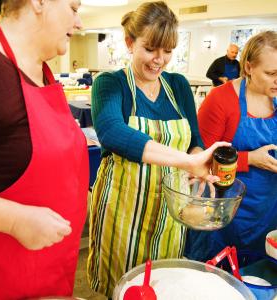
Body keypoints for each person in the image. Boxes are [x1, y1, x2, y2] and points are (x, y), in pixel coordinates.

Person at [87, 1, 229, 297]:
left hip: (169, 213)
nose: (159, 60)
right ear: (130, 42)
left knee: (162, 286)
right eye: (151, 48)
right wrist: (187, 163)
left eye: (167, 51)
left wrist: (195, 158)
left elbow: (194, 141)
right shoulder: (110, 85)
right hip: (122, 210)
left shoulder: (177, 86)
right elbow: (112, 132)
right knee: (122, 287)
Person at [0, 0, 89, 299]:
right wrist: (14, 220)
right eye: (74, 8)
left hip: (50, 272)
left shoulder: (42, 69)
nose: (79, 24)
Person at [185, 31, 277, 262]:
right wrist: (250, 159)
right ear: (248, 67)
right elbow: (200, 161)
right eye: (271, 73)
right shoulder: (220, 100)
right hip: (224, 210)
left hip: (267, 210)